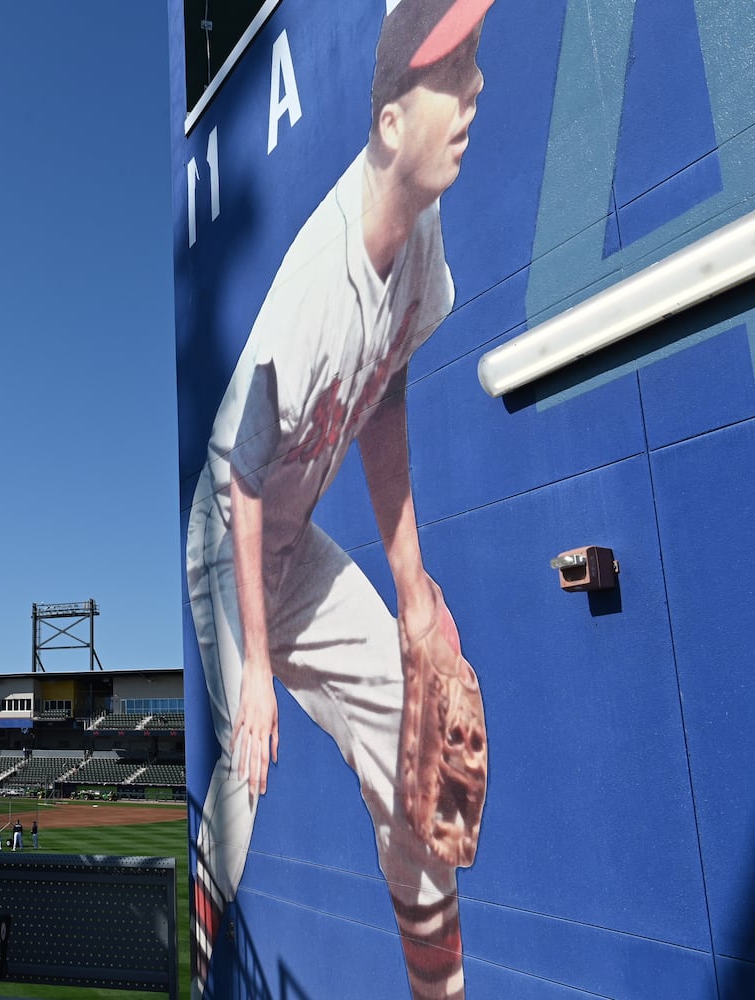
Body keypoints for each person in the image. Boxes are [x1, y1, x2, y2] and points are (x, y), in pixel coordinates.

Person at [185, 2, 493, 998]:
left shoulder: (420, 224)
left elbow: (388, 390)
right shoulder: (313, 291)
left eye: (472, 66)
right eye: (451, 75)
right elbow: (237, 482)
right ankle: (195, 952)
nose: (474, 91)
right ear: (393, 121)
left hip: (293, 536)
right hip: (227, 537)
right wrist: (262, 675)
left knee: (411, 720)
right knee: (247, 755)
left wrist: (411, 586)